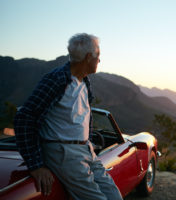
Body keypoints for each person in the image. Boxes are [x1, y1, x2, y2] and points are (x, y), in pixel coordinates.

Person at [14, 33, 123, 200]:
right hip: (64, 153)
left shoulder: (84, 82)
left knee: (114, 196)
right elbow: (24, 118)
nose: (99, 61)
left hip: (86, 150)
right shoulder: (57, 80)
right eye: (98, 56)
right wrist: (36, 166)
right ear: (88, 57)